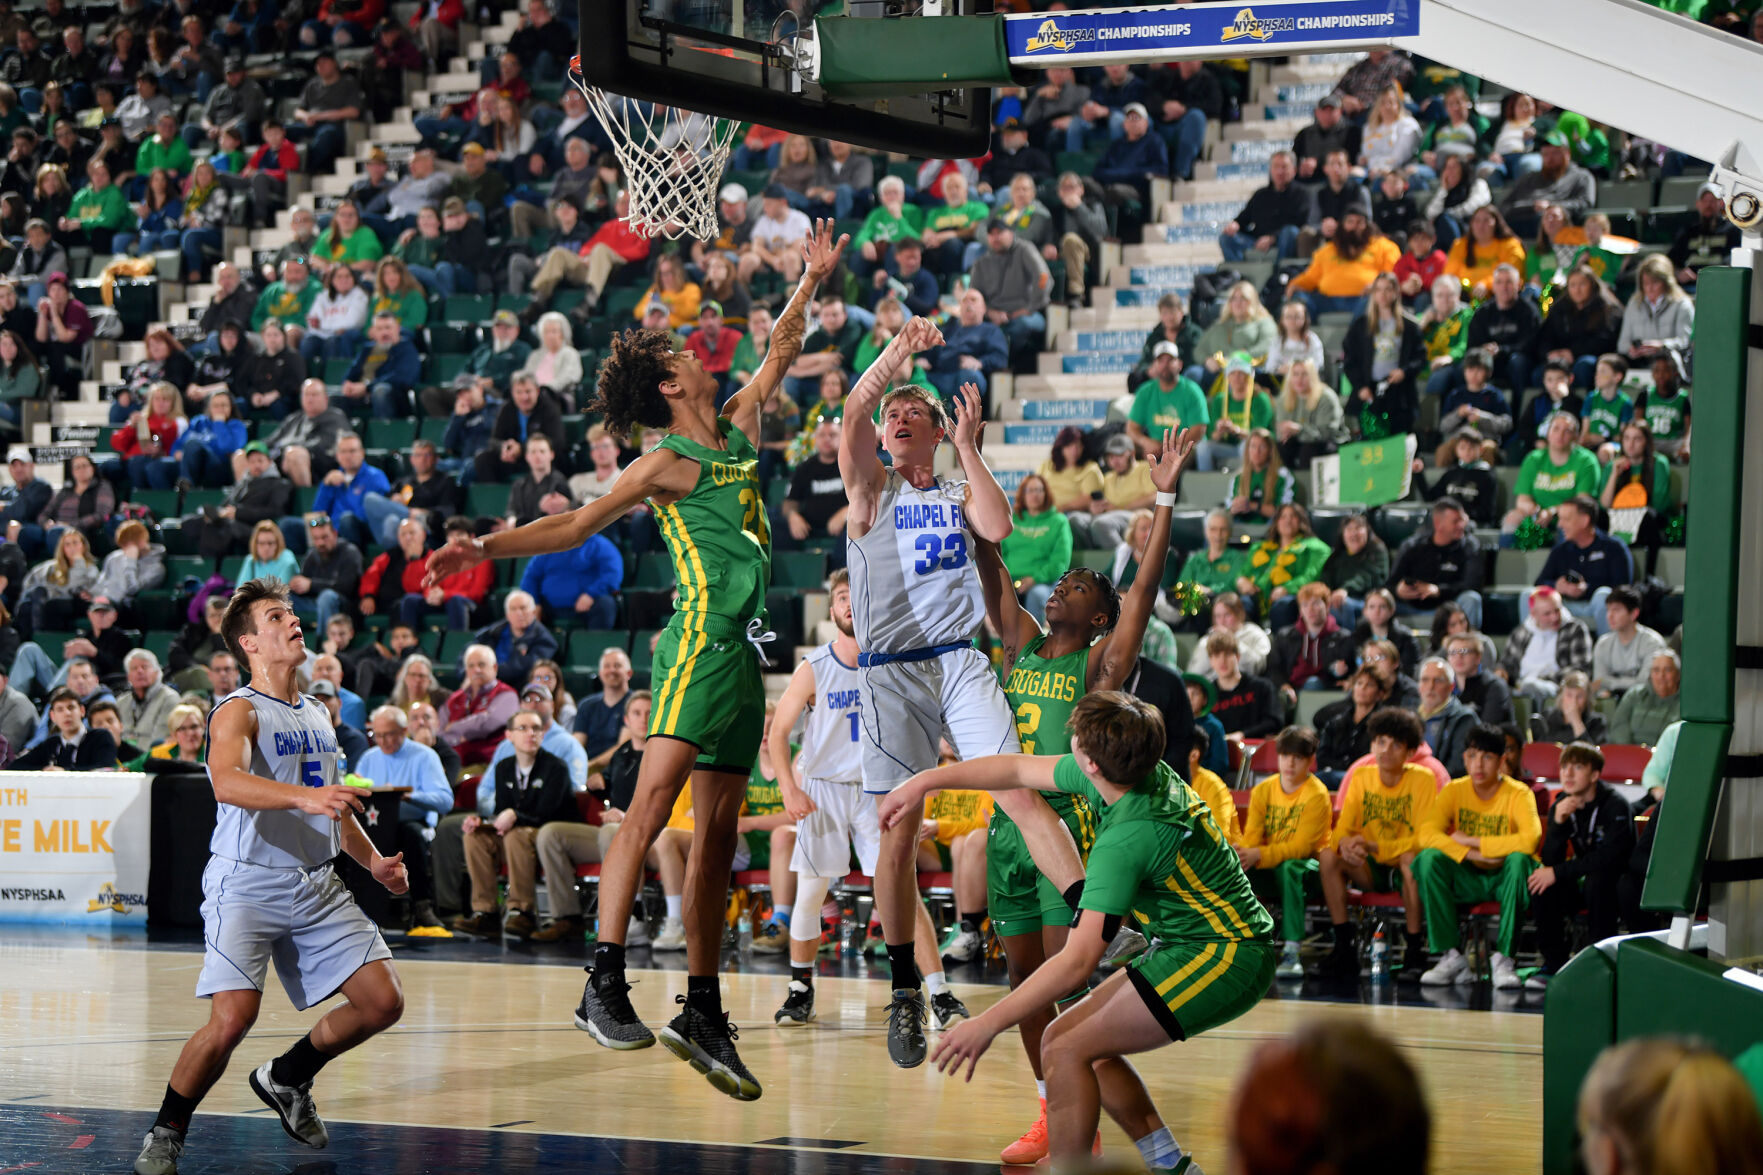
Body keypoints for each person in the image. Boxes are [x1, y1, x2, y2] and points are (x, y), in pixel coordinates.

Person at [421, 222, 847, 1098]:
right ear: (668, 383)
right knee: (649, 809)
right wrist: (480, 550)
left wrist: (808, 281)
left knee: (717, 836)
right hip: (694, 643)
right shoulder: (666, 461)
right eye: (687, 353)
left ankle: (700, 1005)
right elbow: (573, 525)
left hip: (741, 663)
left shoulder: (734, 425)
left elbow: (781, 349)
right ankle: (602, 978)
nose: (703, 355)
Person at [877, 691, 1274, 1175]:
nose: (1069, 747)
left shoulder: (1127, 837)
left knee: (1063, 1045)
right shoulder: (1136, 773)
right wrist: (926, 781)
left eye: (1075, 742)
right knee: (1079, 1040)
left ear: (1088, 763)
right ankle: (1171, 1165)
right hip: (1200, 942)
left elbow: (1077, 961)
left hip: (1223, 956)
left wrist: (986, 1023)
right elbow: (1018, 770)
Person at [836, 311, 1084, 1073]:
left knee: (1016, 792)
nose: (901, 417)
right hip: (889, 671)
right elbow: (852, 409)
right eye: (893, 415)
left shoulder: (951, 487)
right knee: (898, 826)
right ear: (882, 437)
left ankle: (1092, 910)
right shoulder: (868, 487)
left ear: (939, 431)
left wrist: (971, 448)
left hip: (959, 659)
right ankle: (906, 984)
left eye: (918, 411)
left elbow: (998, 525)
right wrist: (897, 353)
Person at [968, 425, 1197, 1164]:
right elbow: (986, 555)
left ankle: (1092, 1124)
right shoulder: (1020, 639)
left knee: (1059, 994)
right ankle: (1051, 1112)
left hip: (1066, 834)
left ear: (1099, 617)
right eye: (1062, 580)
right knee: (1020, 982)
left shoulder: (1102, 664)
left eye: (1081, 586)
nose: (1063, 583)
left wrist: (1163, 495)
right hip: (1009, 827)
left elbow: (1143, 591)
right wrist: (966, 465)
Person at [133, 580, 406, 1175]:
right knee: (232, 1019)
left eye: (292, 612)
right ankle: (167, 1129)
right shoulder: (237, 709)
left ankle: (287, 1077)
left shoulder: (317, 711)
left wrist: (375, 863)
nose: (294, 621)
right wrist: (304, 801)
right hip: (247, 883)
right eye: (277, 616)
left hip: (315, 882)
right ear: (250, 643)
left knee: (383, 1002)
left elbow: (329, 805)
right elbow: (227, 783)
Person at [767, 571, 954, 1031]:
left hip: (879, 791)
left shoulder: (893, 663)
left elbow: (923, 735)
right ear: (832, 610)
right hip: (825, 788)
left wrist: (917, 802)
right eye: (841, 597)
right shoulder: (815, 666)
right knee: (810, 892)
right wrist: (790, 788)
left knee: (901, 892)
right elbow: (778, 732)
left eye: (856, 596)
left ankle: (941, 993)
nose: (850, 604)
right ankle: (800, 988)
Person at [1412, 724, 1541, 989]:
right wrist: (1467, 853)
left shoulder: (1519, 793)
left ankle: (1505, 958)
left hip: (1504, 878)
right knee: (1427, 859)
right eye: (1472, 756)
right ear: (1464, 759)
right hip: (1467, 875)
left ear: (1502, 761)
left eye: (1487, 757)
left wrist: (1473, 840)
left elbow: (1529, 840)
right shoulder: (1454, 790)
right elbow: (1426, 834)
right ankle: (1450, 956)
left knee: (1519, 860)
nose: (1478, 764)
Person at [1314, 708, 1435, 981]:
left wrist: (1373, 846)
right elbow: (1343, 827)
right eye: (1380, 741)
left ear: (1409, 752)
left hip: (1402, 868)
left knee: (1409, 860)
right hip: (1368, 867)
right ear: (1372, 744)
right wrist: (1346, 844)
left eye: (1395, 744)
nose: (1386, 750)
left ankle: (1414, 951)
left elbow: (1424, 838)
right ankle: (1343, 946)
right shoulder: (1361, 776)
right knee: (1328, 855)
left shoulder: (1423, 779)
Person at [452, 711, 575, 939]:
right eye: (523, 728)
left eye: (536, 728)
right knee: (474, 836)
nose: (531, 733)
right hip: (515, 833)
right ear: (509, 735)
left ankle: (523, 911)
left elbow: (548, 815)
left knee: (516, 835)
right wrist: (483, 822)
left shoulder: (556, 767)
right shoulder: (504, 767)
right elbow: (502, 811)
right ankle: (486, 912)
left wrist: (515, 815)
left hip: (547, 835)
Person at [1237, 725, 1333, 981]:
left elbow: (1302, 848)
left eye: (1298, 757)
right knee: (1235, 869)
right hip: (1273, 866)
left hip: (1311, 870)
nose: (1290, 763)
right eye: (1285, 755)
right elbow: (1253, 837)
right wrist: (1246, 853)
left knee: (1291, 867)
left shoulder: (1317, 794)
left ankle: (1292, 950)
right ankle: (1238, 944)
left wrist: (1259, 854)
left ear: (1310, 761)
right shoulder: (1263, 790)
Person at [354, 705, 452, 933]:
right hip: (377, 824)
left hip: (411, 822)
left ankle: (422, 906)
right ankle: (360, 905)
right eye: (378, 735)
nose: (384, 740)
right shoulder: (369, 758)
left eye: (390, 734)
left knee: (412, 835)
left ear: (404, 730)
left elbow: (445, 800)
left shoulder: (425, 756)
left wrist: (408, 796)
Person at [1534, 494, 1633, 634]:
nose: (1559, 524)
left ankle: (1607, 649)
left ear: (1585, 520)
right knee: (1529, 595)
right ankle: (1535, 649)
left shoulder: (1614, 548)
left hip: (1596, 606)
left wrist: (1586, 589)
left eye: (1565, 519)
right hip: (1564, 607)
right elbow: (1539, 583)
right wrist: (1556, 586)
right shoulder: (1560, 550)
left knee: (1603, 595)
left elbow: (1622, 589)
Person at [1387, 497, 1484, 629]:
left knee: (1471, 598)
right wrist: (1398, 591)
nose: (1462, 525)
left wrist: (1438, 590)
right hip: (1411, 606)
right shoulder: (1412, 546)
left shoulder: (1470, 546)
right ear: (1438, 524)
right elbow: (1390, 585)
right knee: (1379, 602)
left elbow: (1472, 584)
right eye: (1455, 521)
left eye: (1462, 520)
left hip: (1450, 610)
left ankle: (1465, 645)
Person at [1501, 585, 1594, 707]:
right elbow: (1506, 663)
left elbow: (1581, 668)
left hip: (1558, 686)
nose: (1554, 617)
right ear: (1534, 614)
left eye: (1557, 610)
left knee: (1532, 686)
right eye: (1547, 614)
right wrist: (1501, 672)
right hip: (1520, 687)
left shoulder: (1575, 629)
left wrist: (1542, 679)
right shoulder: (1521, 633)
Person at [1218, 150, 1312, 262]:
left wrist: (1272, 238)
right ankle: (1239, 274)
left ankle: (1280, 274)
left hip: (1282, 241)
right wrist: (1235, 224)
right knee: (1226, 238)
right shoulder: (1260, 195)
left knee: (1290, 231)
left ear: (1294, 170)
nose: (1280, 171)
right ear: (1270, 170)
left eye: (1284, 167)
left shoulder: (1302, 194)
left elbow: (1300, 222)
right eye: (1276, 167)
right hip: (1257, 240)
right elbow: (1244, 218)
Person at [1126, 342, 1207, 458]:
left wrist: (1168, 447)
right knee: (1126, 448)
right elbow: (1131, 429)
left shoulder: (1192, 391)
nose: (1165, 365)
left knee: (1180, 455)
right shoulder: (1145, 391)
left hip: (1183, 447)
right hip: (1155, 447)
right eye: (1160, 361)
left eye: (1170, 360)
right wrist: (1145, 442)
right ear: (1154, 365)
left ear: (1180, 364)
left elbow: (1198, 431)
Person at [14, 686, 118, 770]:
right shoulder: (51, 743)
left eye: (71, 707)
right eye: (60, 709)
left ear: (82, 711)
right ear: (52, 716)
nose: (67, 713)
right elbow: (15, 766)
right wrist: (45, 770)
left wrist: (64, 772)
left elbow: (105, 769)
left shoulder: (100, 737)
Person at [1591, 585, 1666, 699]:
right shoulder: (1603, 644)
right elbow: (1598, 683)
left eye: (1616, 610)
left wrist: (1610, 683)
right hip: (1610, 699)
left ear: (1634, 614)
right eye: (1608, 610)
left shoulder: (1652, 643)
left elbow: (1645, 685)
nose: (1610, 616)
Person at [1274, 358, 1346, 469]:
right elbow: (1280, 429)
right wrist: (1285, 433)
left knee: (1309, 449)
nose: (1299, 379)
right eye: (1295, 374)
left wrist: (1299, 430)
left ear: (1312, 376)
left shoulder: (1326, 398)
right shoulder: (1284, 399)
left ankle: (1309, 483)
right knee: (1280, 448)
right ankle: (1285, 482)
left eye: (1304, 374)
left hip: (1328, 441)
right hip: (1301, 440)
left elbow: (1325, 433)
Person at [1415, 655, 1477, 779]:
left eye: (1438, 680)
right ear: (1419, 686)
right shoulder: (1408, 716)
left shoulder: (1464, 719)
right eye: (1425, 680)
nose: (1430, 686)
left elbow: (1458, 768)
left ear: (1451, 686)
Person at [1610, 650, 1681, 746]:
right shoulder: (1634, 694)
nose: (1661, 676)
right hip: (1632, 755)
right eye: (1656, 670)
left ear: (1678, 675)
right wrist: (1632, 752)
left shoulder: (1685, 703)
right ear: (1650, 674)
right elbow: (1619, 726)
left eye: (1667, 670)